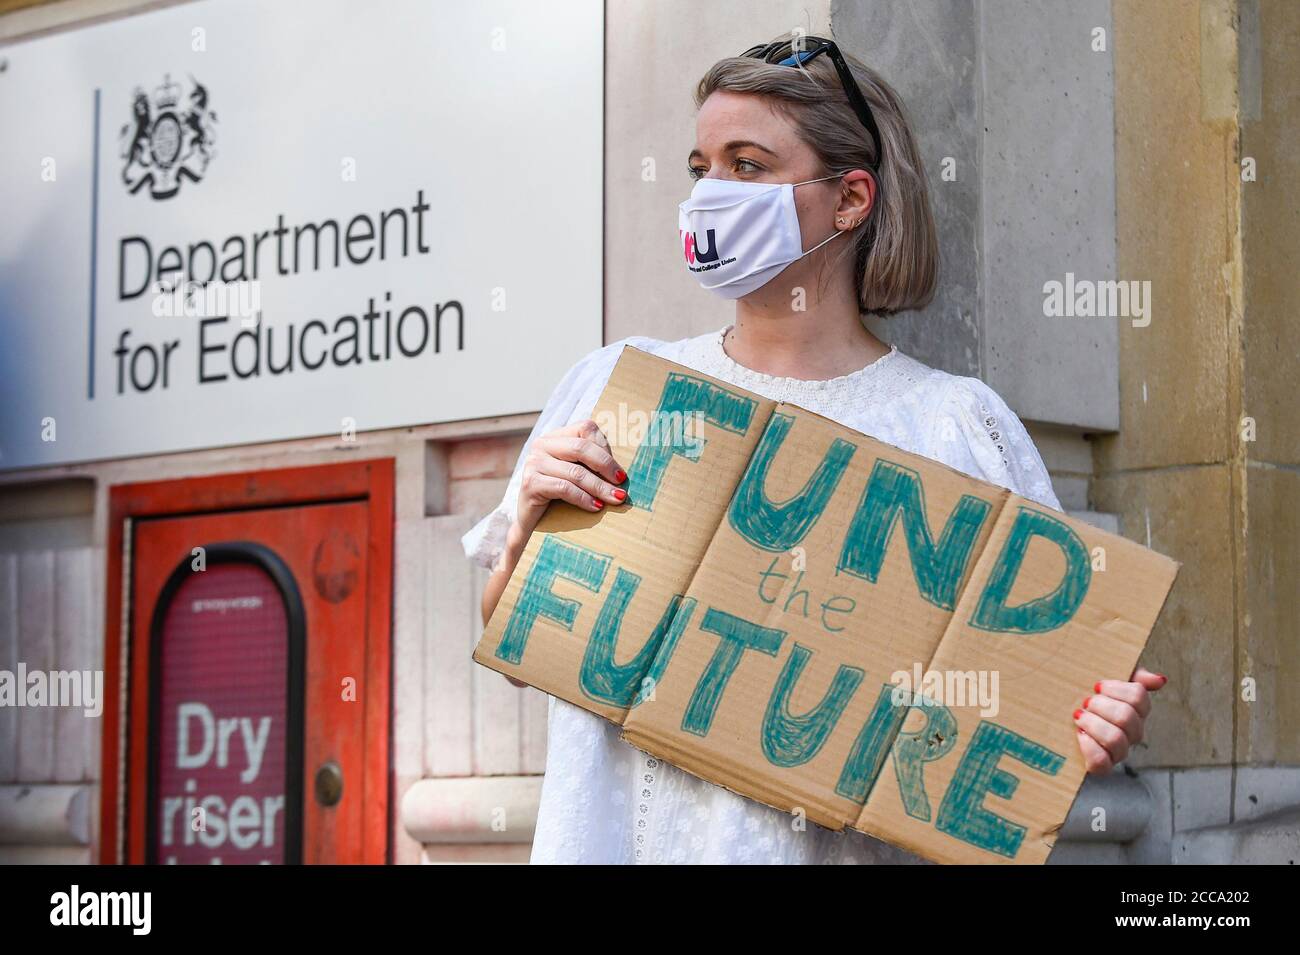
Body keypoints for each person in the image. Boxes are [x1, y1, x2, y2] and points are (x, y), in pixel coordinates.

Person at [462, 34, 1165, 864]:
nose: (709, 193)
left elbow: (1021, 714)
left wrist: (1078, 721)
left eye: (748, 164)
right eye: (702, 166)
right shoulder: (619, 387)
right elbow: (518, 650)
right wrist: (522, 549)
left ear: (851, 199)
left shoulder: (951, 426)